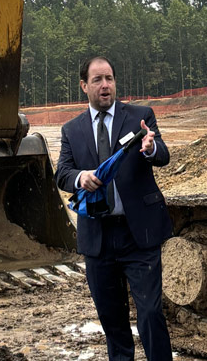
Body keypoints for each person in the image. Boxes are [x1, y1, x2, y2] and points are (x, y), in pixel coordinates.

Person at [54, 56, 173, 361]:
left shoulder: (140, 117)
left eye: (109, 78)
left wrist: (151, 148)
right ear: (84, 86)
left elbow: (162, 155)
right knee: (113, 321)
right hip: (99, 238)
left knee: (149, 313)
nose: (105, 85)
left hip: (139, 235)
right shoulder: (72, 130)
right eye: (97, 80)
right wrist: (81, 177)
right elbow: (62, 173)